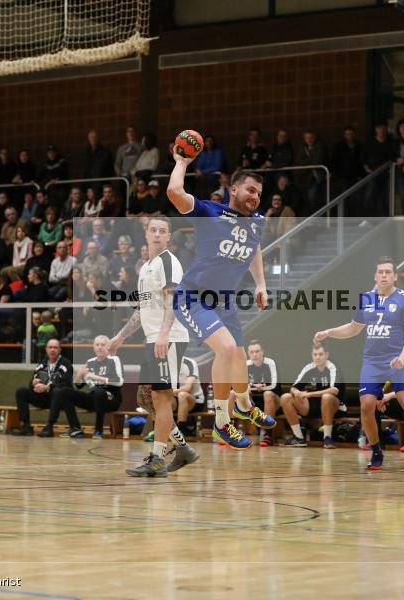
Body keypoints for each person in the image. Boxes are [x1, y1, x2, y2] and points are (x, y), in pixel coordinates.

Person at [166, 150, 276, 449]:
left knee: (239, 356)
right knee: (226, 350)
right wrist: (182, 163)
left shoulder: (256, 221)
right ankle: (221, 423)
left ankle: (242, 404)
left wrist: (261, 284)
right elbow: (175, 192)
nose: (255, 197)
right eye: (251, 190)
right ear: (234, 189)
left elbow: (254, 249)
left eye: (259, 193)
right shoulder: (209, 211)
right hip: (193, 297)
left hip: (224, 300)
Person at [314, 257, 404, 473]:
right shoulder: (366, 299)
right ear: (375, 276)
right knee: (366, 405)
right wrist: (329, 333)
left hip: (395, 358)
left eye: (387, 272)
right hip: (372, 361)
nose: (383, 275)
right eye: (380, 272)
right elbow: (354, 328)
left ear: (394, 277)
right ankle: (376, 451)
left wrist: (402, 357)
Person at [108, 216, 200, 476]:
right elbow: (142, 309)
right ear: (146, 234)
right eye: (153, 230)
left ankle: (157, 459)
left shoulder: (169, 262)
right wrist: (120, 336)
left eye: (163, 231)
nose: (157, 234)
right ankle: (182, 449)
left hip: (169, 338)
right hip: (153, 339)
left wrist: (164, 332)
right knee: (145, 398)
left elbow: (173, 301)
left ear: (169, 237)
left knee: (161, 398)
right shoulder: (145, 267)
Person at [47, 335, 124, 439]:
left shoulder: (114, 359)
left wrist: (95, 377)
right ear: (94, 347)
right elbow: (78, 385)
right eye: (97, 345)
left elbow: (119, 382)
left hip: (111, 399)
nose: (100, 347)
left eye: (103, 345)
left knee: (99, 392)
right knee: (63, 391)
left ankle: (98, 430)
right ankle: (75, 428)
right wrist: (79, 374)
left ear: (108, 347)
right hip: (94, 399)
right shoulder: (90, 362)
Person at [280, 344, 344, 449]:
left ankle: (327, 438)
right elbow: (293, 387)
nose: (317, 357)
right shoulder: (309, 367)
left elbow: (334, 390)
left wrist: (308, 394)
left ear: (326, 355)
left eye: (320, 354)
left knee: (327, 397)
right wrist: (296, 392)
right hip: (313, 406)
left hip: (335, 407)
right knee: (285, 397)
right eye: (315, 354)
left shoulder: (333, 367)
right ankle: (299, 438)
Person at [11, 338, 74, 436]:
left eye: (55, 347)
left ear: (60, 350)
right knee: (21, 391)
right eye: (50, 347)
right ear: (46, 349)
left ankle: (49, 427)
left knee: (57, 391)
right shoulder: (42, 363)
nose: (52, 350)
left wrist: (48, 387)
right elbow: (31, 384)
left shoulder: (66, 363)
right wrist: (34, 383)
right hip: (44, 398)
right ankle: (26, 426)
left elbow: (66, 384)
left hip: (59, 400)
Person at [246, 340, 281, 447]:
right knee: (238, 394)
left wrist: (262, 387)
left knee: (268, 394)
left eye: (257, 351)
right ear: (248, 353)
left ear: (263, 351)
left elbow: (274, 385)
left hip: (274, 402)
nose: (255, 355)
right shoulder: (246, 365)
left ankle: (268, 434)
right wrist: (251, 387)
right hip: (255, 402)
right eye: (252, 352)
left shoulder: (270, 363)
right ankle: (230, 432)